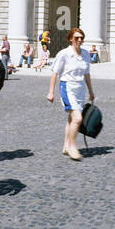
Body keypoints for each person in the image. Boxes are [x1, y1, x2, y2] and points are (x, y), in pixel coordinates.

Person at [45, 28, 96, 161]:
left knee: (71, 118)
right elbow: (55, 73)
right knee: (78, 118)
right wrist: (51, 92)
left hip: (80, 89)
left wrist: (91, 91)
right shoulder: (64, 54)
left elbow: (87, 74)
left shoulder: (86, 54)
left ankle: (66, 145)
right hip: (67, 87)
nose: (79, 40)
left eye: (81, 38)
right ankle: (73, 146)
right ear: (70, 39)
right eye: (76, 38)